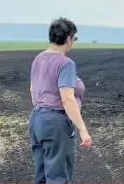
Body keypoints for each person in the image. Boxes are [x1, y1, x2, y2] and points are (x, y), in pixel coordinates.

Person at [28, 17, 92, 183]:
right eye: (74, 39)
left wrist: (43, 113)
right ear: (68, 38)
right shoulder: (65, 64)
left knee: (41, 174)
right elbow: (67, 100)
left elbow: (32, 91)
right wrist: (82, 129)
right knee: (58, 176)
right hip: (56, 123)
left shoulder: (38, 59)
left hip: (37, 120)